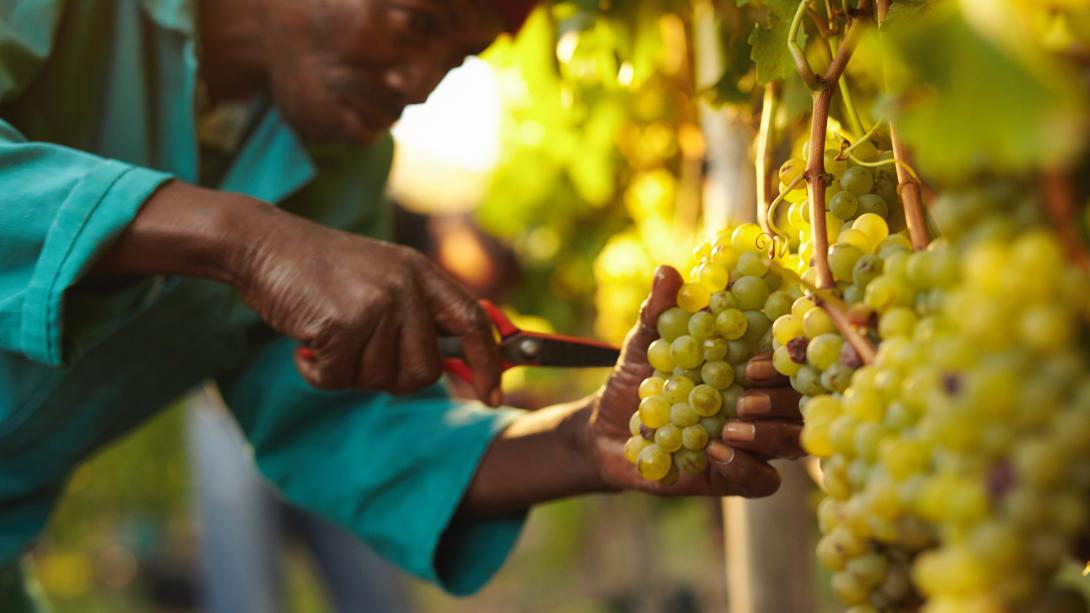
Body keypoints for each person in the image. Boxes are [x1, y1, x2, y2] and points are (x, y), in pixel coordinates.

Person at [0, 0, 805, 608]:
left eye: (457, 58)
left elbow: (341, 420)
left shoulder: (335, 158)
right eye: (418, 22)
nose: (417, 86)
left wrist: (578, 444)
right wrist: (244, 239)